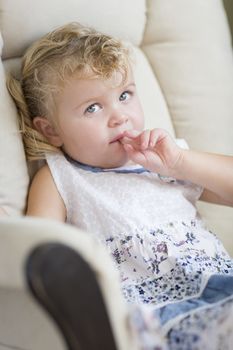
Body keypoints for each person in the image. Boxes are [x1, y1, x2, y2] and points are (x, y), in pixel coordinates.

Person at [7, 22, 233, 350]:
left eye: (124, 95)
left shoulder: (167, 157)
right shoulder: (61, 177)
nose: (119, 117)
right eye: (93, 108)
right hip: (156, 316)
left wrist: (181, 163)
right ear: (51, 130)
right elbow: (40, 250)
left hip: (221, 287)